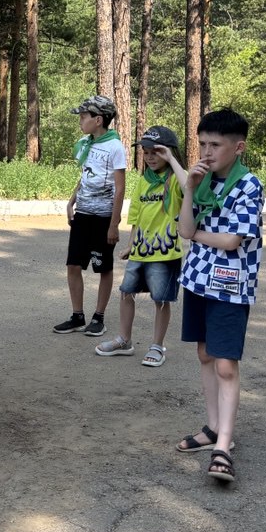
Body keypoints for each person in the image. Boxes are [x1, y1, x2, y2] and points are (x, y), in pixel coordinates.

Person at [173, 109, 263, 485]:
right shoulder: (202, 182)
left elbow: (231, 241)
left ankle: (223, 445)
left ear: (238, 148)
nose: (206, 152)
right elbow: (184, 227)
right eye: (202, 144)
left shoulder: (249, 185)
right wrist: (190, 189)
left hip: (230, 286)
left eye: (215, 145)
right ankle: (212, 427)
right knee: (205, 354)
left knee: (226, 365)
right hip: (197, 280)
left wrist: (196, 235)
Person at [95, 126, 186, 367]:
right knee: (126, 293)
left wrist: (172, 161)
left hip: (165, 254)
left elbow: (191, 189)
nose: (150, 157)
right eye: (146, 153)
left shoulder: (176, 179)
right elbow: (136, 217)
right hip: (141, 251)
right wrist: (130, 245)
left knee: (161, 300)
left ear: (169, 151)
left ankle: (157, 346)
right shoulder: (144, 181)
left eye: (156, 152)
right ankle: (124, 340)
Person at [54, 95, 127, 338]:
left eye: (84, 117)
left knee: (103, 267)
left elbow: (120, 188)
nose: (80, 121)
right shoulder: (86, 143)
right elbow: (86, 175)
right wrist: (71, 201)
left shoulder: (115, 147)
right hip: (83, 214)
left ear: (98, 120)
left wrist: (114, 224)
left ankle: (99, 317)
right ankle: (77, 316)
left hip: (103, 217)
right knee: (73, 264)